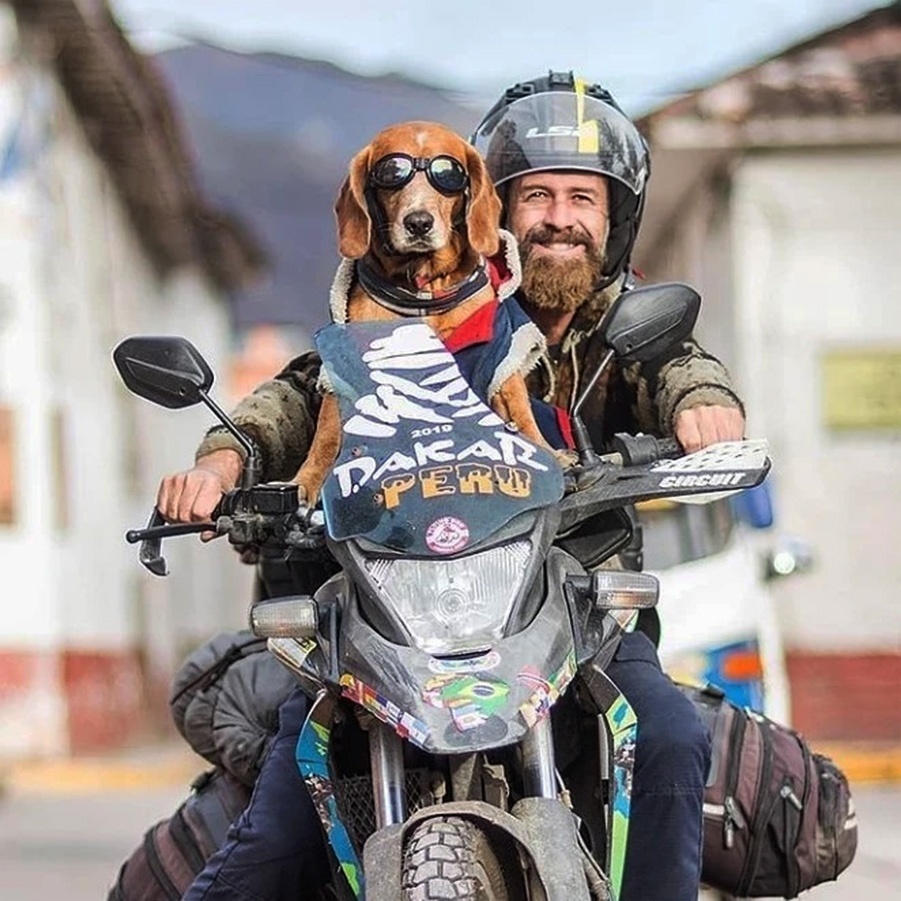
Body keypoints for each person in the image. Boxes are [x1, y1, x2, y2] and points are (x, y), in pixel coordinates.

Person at [161, 72, 745, 901]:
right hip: (396, 617)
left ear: (613, 218)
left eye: (582, 197)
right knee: (289, 797)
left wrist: (706, 409)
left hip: (564, 615)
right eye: (534, 195)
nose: (557, 218)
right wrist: (219, 465)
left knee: (670, 737)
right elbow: (296, 394)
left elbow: (683, 370)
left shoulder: (621, 327)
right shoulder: (404, 309)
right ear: (488, 210)